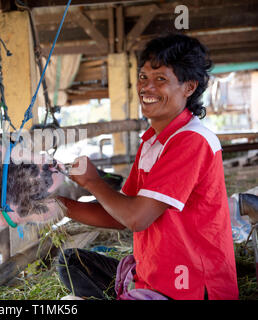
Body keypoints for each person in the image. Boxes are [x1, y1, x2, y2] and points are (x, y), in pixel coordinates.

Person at [57, 33, 239, 300]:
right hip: (153, 274)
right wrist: (53, 207)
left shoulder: (192, 140)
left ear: (189, 87)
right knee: (70, 263)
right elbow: (120, 215)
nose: (146, 87)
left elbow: (135, 218)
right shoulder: (153, 140)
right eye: (143, 77)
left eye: (160, 79)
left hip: (189, 288)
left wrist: (93, 182)